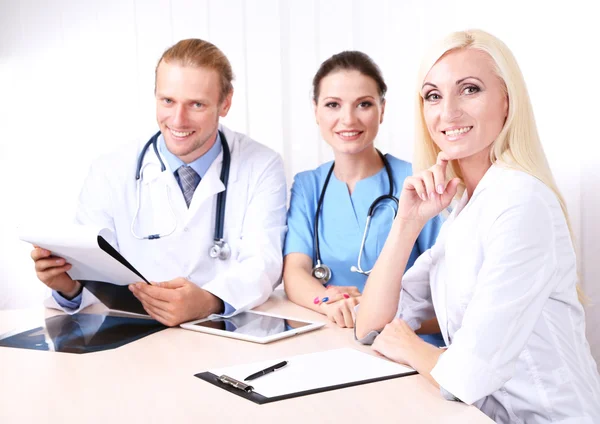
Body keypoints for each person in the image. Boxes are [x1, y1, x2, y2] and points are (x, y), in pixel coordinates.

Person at [355, 29, 600, 423]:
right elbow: (370, 326)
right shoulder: (466, 208)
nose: (447, 112)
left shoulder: (522, 201)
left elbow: (465, 377)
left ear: (507, 101)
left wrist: (409, 345)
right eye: (433, 95)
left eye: (469, 89)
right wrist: (407, 223)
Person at [29, 39, 287, 327]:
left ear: (225, 103)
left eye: (197, 104)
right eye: (168, 101)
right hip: (135, 336)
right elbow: (93, 267)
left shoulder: (262, 165)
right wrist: (68, 285)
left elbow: (264, 262)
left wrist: (208, 300)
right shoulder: (110, 169)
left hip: (224, 332)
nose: (178, 119)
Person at [283, 51, 443, 343]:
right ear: (316, 111)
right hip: (331, 337)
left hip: (406, 343)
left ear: (382, 109)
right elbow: (294, 272)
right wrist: (327, 301)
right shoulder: (308, 186)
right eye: (333, 104)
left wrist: (373, 314)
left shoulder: (419, 182)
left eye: (364, 104)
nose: (348, 119)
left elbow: (450, 293)